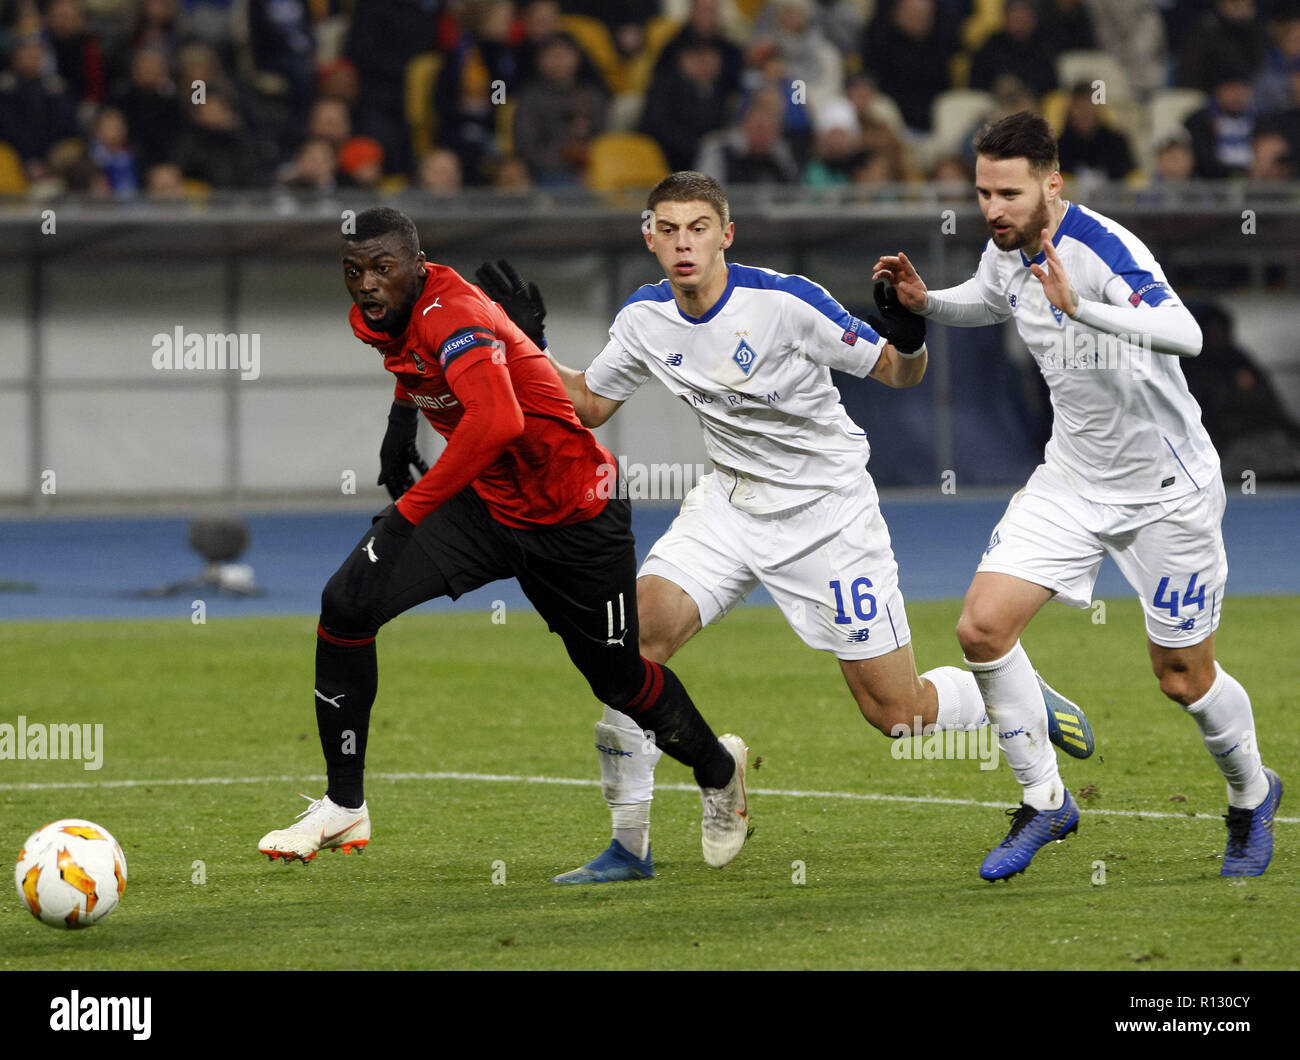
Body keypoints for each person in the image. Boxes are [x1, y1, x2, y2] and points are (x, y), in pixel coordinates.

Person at [477, 170, 1094, 884]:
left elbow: (899, 372)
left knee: (898, 715)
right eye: (668, 229)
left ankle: (1012, 698)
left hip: (828, 519)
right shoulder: (645, 318)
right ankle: (631, 845)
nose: (684, 244)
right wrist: (526, 344)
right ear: (649, 238)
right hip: (730, 508)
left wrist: (911, 335)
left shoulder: (787, 303)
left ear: (726, 236)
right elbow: (588, 403)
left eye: (698, 229)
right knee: (627, 649)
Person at [257, 207, 749, 870]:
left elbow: (496, 420)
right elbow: (423, 368)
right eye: (354, 271)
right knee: (348, 602)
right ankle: (344, 805)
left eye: (382, 269)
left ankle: (719, 770)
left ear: (416, 266)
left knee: (621, 679)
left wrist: (406, 515)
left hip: (576, 516)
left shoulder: (451, 311)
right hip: (487, 506)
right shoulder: (381, 316)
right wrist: (402, 423)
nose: (367, 284)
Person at [872, 111, 1282, 881]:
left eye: (1009, 192)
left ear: (1052, 185)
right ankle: (1047, 801)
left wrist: (1083, 308)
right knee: (982, 629)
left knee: (1183, 677)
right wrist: (929, 303)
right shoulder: (1006, 248)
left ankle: (1250, 796)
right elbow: (991, 301)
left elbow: (1185, 332)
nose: (992, 208)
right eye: (984, 191)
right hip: (1072, 478)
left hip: (1167, 491)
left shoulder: (1103, 250)